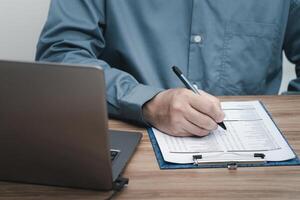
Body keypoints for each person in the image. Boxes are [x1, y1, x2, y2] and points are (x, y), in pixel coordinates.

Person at [36, 0, 300, 137]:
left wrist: (282, 127)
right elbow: (60, 56)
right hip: (130, 148)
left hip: (255, 164)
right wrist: (146, 102)